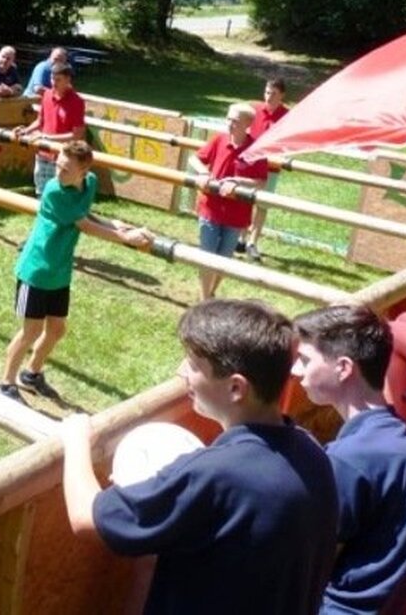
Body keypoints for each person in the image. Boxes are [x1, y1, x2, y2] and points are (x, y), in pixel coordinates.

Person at [62, 299, 339, 615]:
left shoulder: (216, 475)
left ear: (236, 388)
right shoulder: (311, 453)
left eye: (194, 365)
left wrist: (76, 439)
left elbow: (86, 518)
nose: (180, 371)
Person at [0, 140, 151, 404]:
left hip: (59, 271)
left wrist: (116, 224)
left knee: (56, 329)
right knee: (31, 331)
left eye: (66, 169)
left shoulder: (90, 183)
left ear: (84, 171)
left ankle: (32, 373)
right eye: (57, 165)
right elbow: (83, 225)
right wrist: (125, 238)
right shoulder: (54, 190)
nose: (59, 172)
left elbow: (85, 213)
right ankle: (5, 383)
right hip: (36, 270)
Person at [292, 304, 406, 614]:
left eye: (305, 360)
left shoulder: (348, 459)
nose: (296, 371)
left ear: (343, 368)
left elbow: (311, 561)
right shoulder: (401, 442)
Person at [188, 102, 268, 299]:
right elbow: (194, 159)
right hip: (210, 208)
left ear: (247, 124)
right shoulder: (219, 140)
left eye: (235, 120)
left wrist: (238, 181)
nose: (230, 123)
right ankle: (205, 299)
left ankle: (211, 292)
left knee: (224, 260)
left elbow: (261, 182)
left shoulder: (256, 150)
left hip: (236, 215)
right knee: (207, 255)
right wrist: (204, 173)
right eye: (228, 119)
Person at [13, 63, 86, 195]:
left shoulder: (76, 102)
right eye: (52, 79)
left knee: (59, 190)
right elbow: (40, 121)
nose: (53, 83)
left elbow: (76, 134)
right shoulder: (47, 95)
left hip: (63, 155)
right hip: (43, 152)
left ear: (68, 79)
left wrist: (46, 137)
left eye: (58, 80)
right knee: (41, 189)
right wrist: (26, 131)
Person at [240, 78, 290, 261]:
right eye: (267, 92)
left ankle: (252, 242)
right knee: (244, 199)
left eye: (274, 93)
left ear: (282, 95)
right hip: (251, 164)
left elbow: (288, 142)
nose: (269, 97)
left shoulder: (287, 116)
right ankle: (241, 237)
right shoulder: (254, 110)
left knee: (262, 203)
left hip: (271, 166)